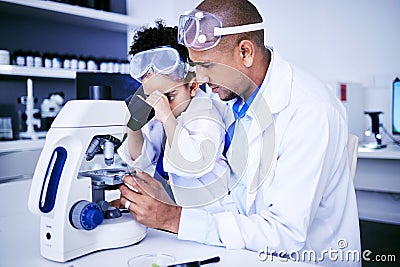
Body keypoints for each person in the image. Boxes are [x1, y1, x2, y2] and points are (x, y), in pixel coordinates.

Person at [119, 1, 361, 266]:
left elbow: (284, 234)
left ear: (245, 52)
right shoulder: (230, 99)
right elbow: (232, 198)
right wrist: (169, 201)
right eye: (195, 65)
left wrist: (172, 218)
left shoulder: (309, 111)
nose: (198, 77)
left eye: (208, 66)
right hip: (242, 254)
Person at [119, 20, 236, 210]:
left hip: (213, 212)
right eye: (153, 96)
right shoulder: (164, 112)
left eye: (169, 96)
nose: (161, 104)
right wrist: (133, 127)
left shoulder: (206, 114)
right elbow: (143, 157)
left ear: (192, 86)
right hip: (180, 209)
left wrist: (167, 118)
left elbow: (193, 163)